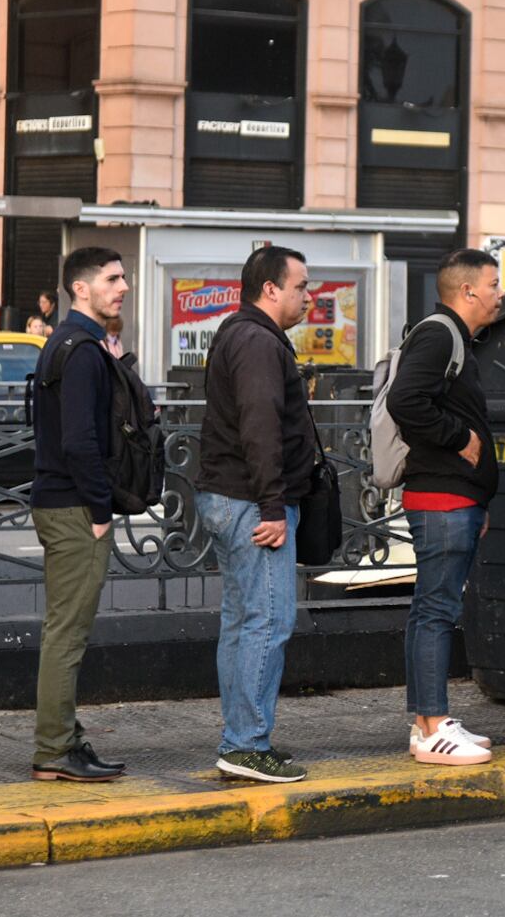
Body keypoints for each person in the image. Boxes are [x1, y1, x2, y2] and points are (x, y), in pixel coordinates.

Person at [198, 245, 316, 784]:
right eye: (299, 287)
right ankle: (246, 745)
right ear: (270, 289)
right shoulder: (257, 341)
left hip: (235, 497)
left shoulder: (239, 333)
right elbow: (260, 423)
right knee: (269, 621)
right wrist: (273, 504)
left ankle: (240, 739)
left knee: (243, 622)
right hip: (252, 503)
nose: (307, 297)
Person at [388, 250, 502, 766]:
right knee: (436, 610)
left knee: (431, 609)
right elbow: (406, 400)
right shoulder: (440, 334)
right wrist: (461, 440)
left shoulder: (452, 336)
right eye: (494, 284)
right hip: (441, 497)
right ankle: (432, 728)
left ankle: (427, 721)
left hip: (455, 498)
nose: (500, 294)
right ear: (468, 292)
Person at [28, 248, 132, 783]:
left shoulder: (61, 343)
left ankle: (65, 739)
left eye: (123, 277)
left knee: (62, 630)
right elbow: (79, 440)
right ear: (80, 289)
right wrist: (99, 509)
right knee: (67, 634)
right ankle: (54, 749)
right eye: (112, 279)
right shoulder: (85, 351)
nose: (124, 287)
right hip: (73, 507)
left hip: (57, 500)